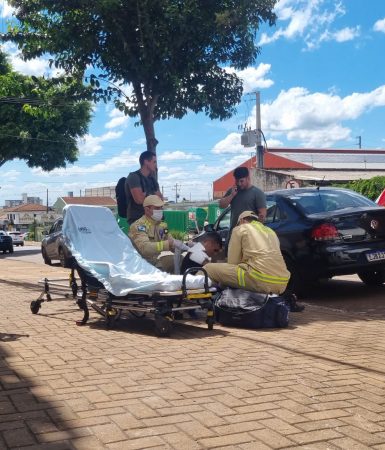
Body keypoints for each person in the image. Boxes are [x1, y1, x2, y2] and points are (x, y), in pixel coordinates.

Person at [204, 211, 290, 295]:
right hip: (282, 282)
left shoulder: (241, 228)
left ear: (242, 220)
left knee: (208, 268)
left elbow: (233, 262)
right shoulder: (271, 231)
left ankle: (196, 304)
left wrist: (221, 278)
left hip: (259, 278)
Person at [129, 195, 175, 273]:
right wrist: (167, 244)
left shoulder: (162, 225)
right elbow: (145, 248)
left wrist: (182, 245)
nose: (160, 210)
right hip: (141, 265)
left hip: (156, 261)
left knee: (181, 260)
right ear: (147, 210)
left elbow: (170, 240)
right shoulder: (139, 226)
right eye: (157, 208)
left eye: (161, 208)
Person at [219, 166, 267, 234]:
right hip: (234, 234)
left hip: (250, 235)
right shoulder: (233, 190)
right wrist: (231, 195)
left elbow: (262, 216)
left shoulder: (257, 193)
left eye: (241, 181)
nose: (239, 183)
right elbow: (221, 205)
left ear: (248, 178)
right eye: (237, 181)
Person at [125, 151, 163, 225]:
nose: (156, 165)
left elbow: (160, 200)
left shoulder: (152, 179)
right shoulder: (133, 177)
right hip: (138, 219)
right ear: (146, 162)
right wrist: (154, 198)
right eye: (154, 162)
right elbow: (139, 200)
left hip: (154, 219)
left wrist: (146, 197)